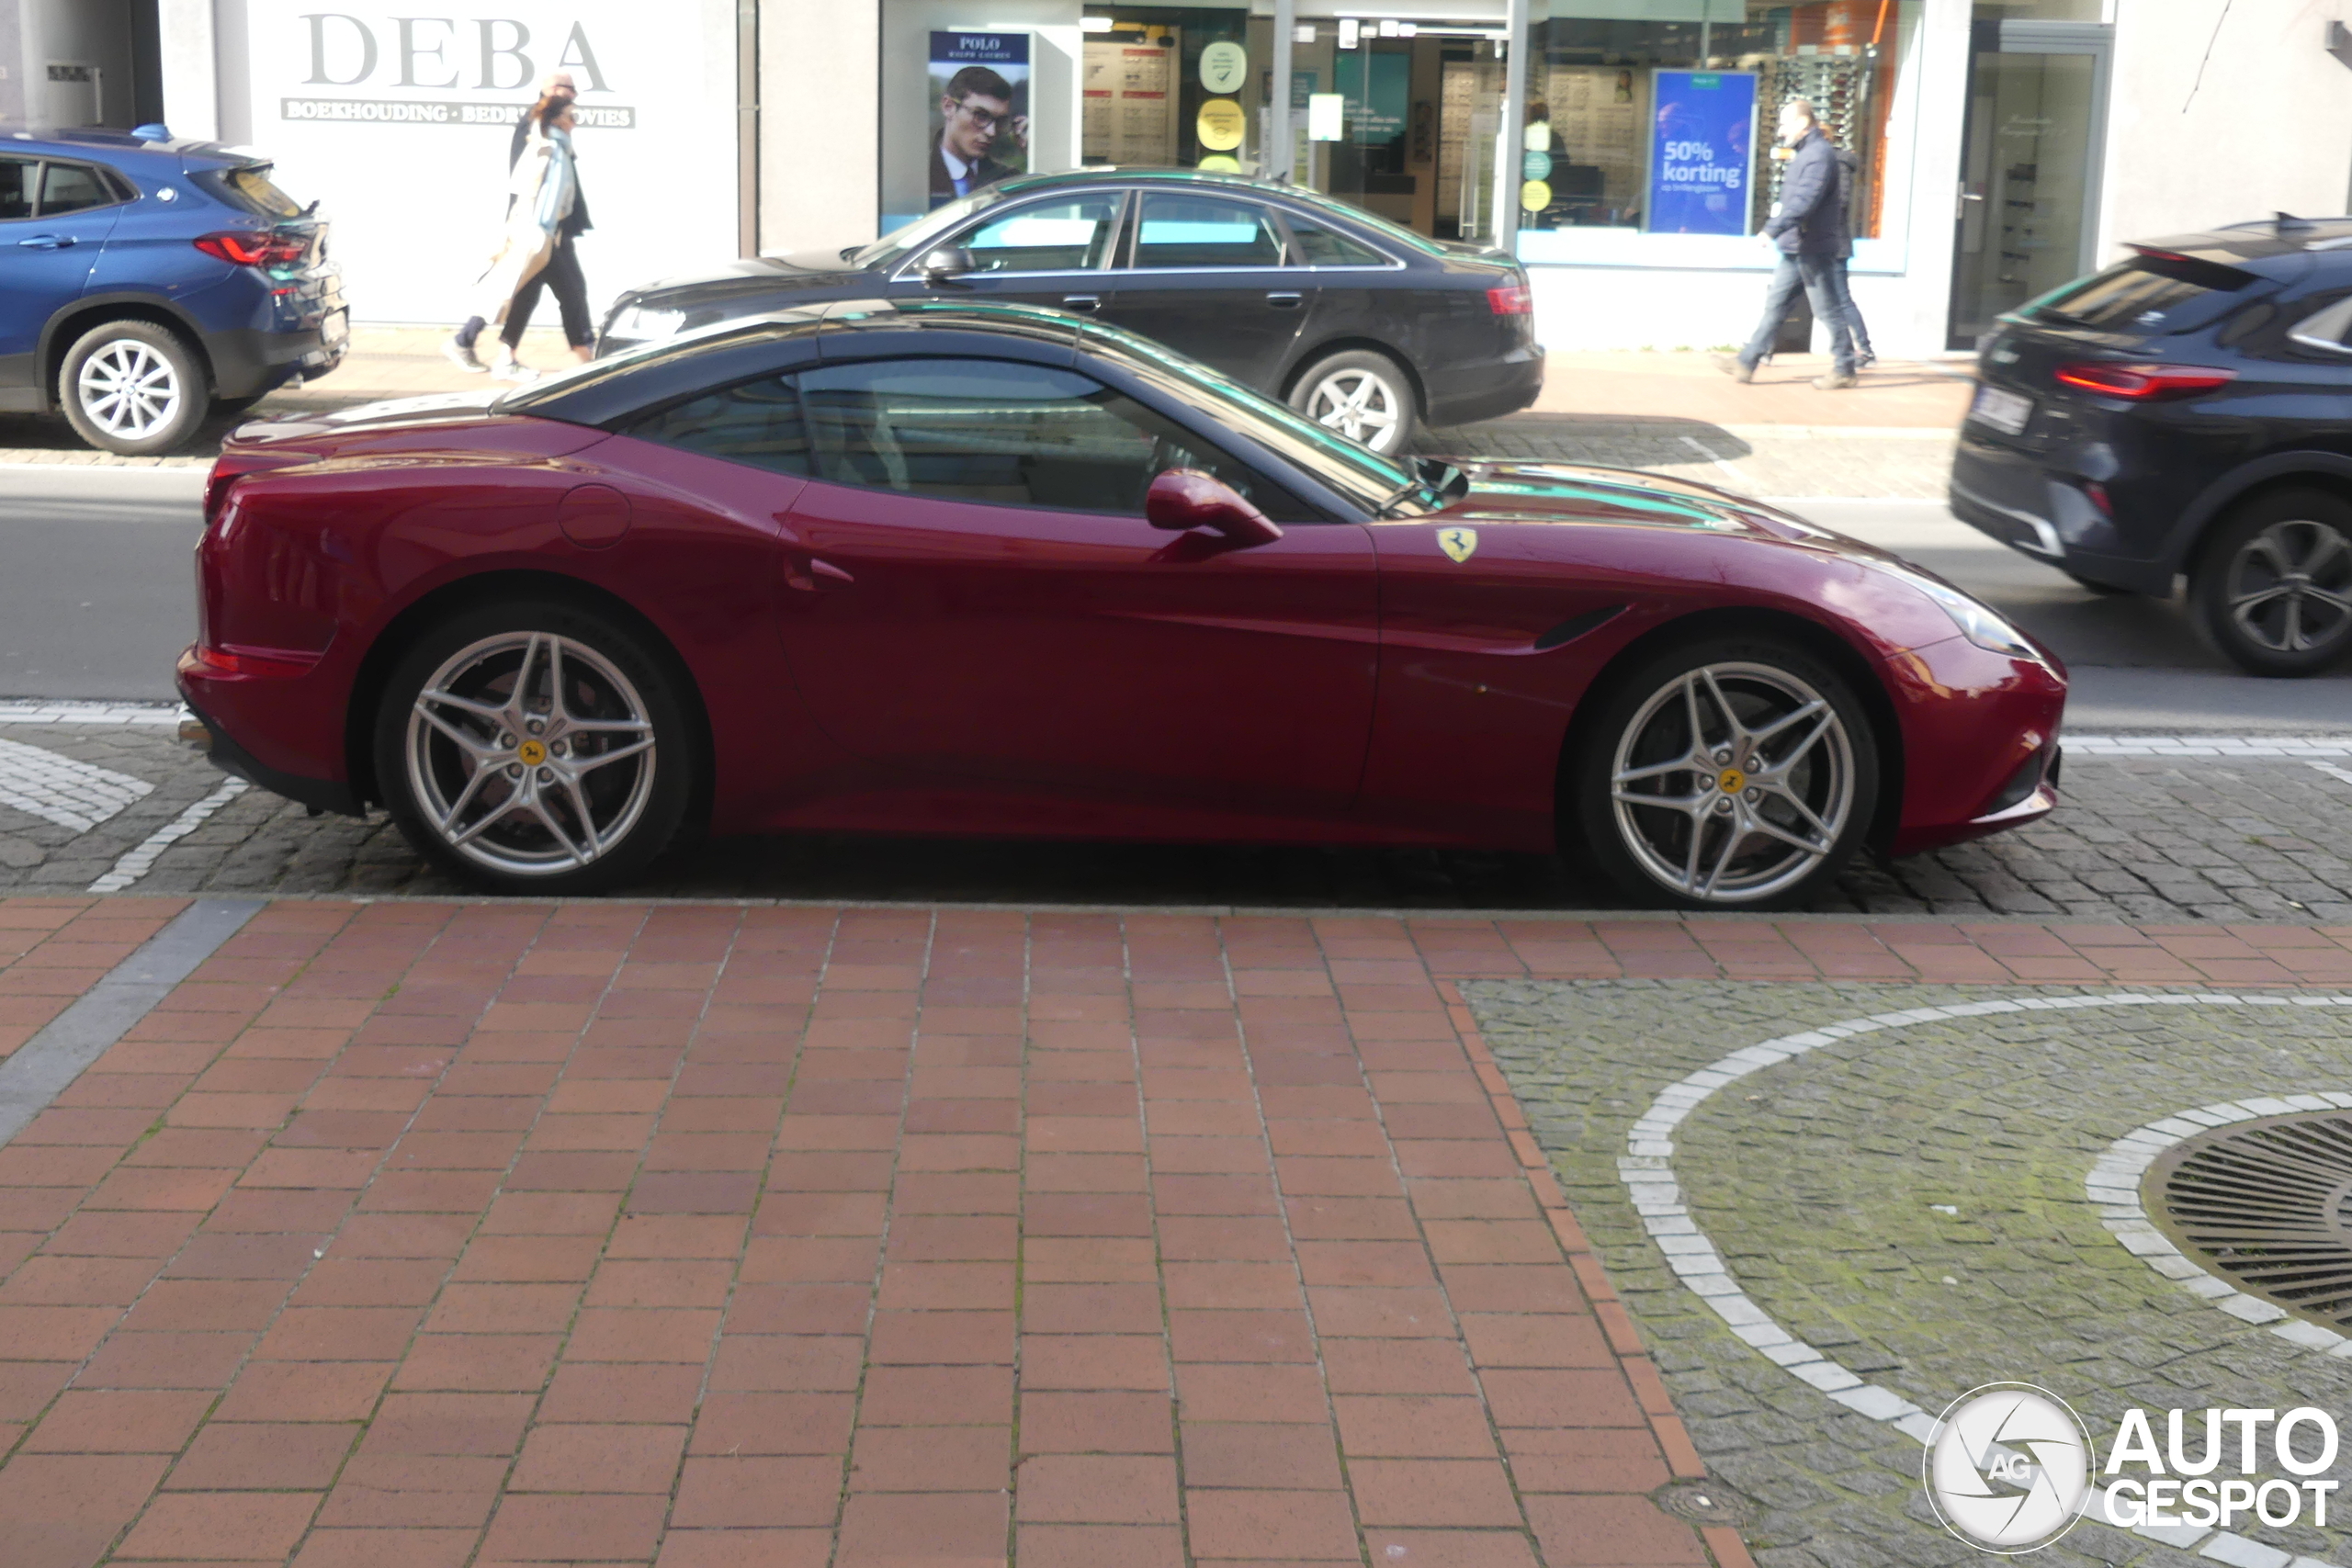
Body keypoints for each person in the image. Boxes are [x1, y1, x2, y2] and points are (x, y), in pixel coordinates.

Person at [446, 84, 588, 380]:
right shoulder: (549, 147)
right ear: (558, 118)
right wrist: (540, 233)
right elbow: (536, 192)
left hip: (545, 235)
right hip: (540, 235)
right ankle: (586, 358)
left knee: (525, 293)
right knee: (570, 294)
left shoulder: (558, 145)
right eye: (572, 116)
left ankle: (484, 349)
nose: (576, 122)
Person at [1714, 97, 1856, 391]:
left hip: (1813, 247)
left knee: (1827, 309)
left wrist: (1771, 230)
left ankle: (1845, 368)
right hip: (1798, 246)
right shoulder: (1807, 153)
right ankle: (1746, 361)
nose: (1780, 131)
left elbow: (1805, 201)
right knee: (1776, 305)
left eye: (1784, 123)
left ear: (1803, 123)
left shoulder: (1818, 155)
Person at [929, 65, 1024, 207]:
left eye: (1000, 121)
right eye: (980, 116)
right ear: (948, 107)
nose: (991, 132)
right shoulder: (915, 177)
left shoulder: (1009, 181)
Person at [1824, 135, 1876, 369]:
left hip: (1833, 243)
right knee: (1787, 296)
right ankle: (1763, 346)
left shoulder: (1838, 164)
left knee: (1842, 299)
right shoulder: (1824, 163)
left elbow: (1840, 202)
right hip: (1819, 242)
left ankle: (1864, 349)